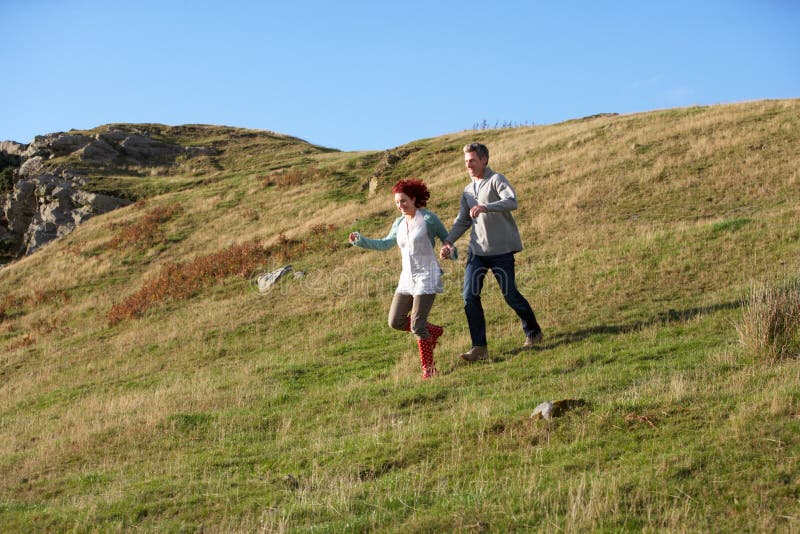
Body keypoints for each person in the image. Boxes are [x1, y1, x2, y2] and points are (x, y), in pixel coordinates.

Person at [440, 142, 543, 362]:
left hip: (501, 251)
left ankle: (533, 332)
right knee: (469, 297)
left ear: (484, 160)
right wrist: (448, 240)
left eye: (472, 160)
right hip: (477, 253)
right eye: (466, 161)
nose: (469, 165)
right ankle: (479, 347)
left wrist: (487, 206)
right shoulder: (467, 191)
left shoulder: (497, 180)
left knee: (511, 295)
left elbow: (512, 201)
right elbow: (463, 220)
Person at [349, 179, 457, 379]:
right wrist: (361, 241)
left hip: (427, 277)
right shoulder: (398, 223)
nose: (400, 206)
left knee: (417, 324)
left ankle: (429, 369)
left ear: (414, 198)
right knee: (395, 321)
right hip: (407, 279)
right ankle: (433, 331)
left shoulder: (428, 219)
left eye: (404, 201)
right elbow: (385, 243)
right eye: (397, 202)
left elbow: (447, 239)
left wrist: (449, 251)